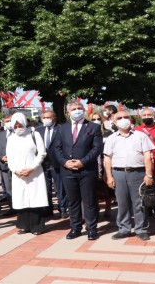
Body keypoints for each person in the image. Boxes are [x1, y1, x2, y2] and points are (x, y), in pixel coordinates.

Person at [52, 102, 103, 240]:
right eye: (73, 109)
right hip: (67, 171)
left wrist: (82, 162)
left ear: (84, 110)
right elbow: (57, 148)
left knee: (89, 201)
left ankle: (92, 229)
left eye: (79, 108)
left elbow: (97, 148)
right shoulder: (61, 129)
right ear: (68, 112)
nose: (77, 111)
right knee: (72, 201)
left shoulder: (94, 127)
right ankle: (75, 228)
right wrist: (65, 162)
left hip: (87, 170)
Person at [103, 111, 155, 241]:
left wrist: (149, 174)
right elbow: (107, 158)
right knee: (122, 203)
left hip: (138, 172)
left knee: (139, 203)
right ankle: (124, 229)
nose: (123, 119)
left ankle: (141, 229)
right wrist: (109, 176)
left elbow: (147, 156)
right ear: (114, 122)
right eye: (119, 118)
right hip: (119, 173)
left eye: (126, 117)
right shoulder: (111, 138)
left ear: (131, 119)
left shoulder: (140, 136)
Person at [6, 112, 48, 235]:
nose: (18, 128)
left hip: (34, 172)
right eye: (16, 126)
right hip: (18, 174)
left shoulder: (34, 134)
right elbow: (10, 157)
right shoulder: (11, 138)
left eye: (20, 125)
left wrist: (32, 168)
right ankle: (24, 225)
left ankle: (37, 226)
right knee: (22, 199)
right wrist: (15, 170)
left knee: (36, 199)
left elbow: (42, 153)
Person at [35, 110, 68, 219]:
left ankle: (62, 208)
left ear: (54, 118)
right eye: (44, 117)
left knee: (60, 188)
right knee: (46, 188)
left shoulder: (61, 129)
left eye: (49, 117)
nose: (46, 119)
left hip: (57, 163)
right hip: (43, 163)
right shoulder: (38, 130)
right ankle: (48, 209)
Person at [135, 108, 155, 218]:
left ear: (153, 116)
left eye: (149, 114)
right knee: (145, 186)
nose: (147, 116)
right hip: (143, 162)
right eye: (144, 114)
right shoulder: (136, 129)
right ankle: (147, 209)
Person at [0, 114, 16, 216]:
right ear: (3, 122)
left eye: (10, 120)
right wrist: (1, 157)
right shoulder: (0, 134)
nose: (9, 123)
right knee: (8, 188)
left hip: (18, 165)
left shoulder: (20, 132)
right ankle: (12, 207)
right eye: (6, 121)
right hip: (5, 165)